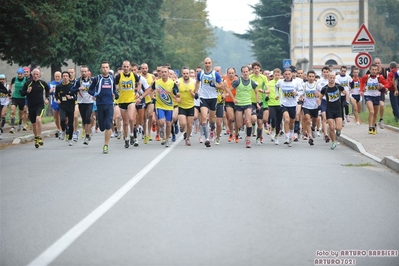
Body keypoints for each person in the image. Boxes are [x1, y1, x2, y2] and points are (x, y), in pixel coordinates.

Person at [114, 60, 149, 148]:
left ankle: (132, 134)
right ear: (122, 67)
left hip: (131, 100)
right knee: (125, 122)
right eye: (124, 67)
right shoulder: (119, 76)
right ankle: (126, 138)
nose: (126, 68)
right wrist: (117, 91)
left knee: (131, 118)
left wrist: (137, 91)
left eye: (127, 67)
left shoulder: (134, 75)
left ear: (129, 67)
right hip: (122, 101)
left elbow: (139, 83)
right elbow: (115, 85)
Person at [142, 66, 179, 147]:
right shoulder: (156, 82)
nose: (164, 73)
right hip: (160, 106)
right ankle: (161, 128)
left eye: (165, 72)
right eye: (162, 72)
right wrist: (142, 97)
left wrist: (177, 95)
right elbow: (149, 90)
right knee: (161, 122)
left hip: (169, 106)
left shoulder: (172, 83)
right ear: (160, 73)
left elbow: (177, 93)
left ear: (168, 73)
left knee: (169, 124)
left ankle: (166, 139)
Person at [88, 61, 119, 154]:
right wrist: (96, 94)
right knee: (102, 127)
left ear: (109, 68)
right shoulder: (97, 78)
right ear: (101, 68)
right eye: (103, 67)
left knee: (108, 124)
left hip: (109, 104)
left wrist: (116, 93)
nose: (105, 69)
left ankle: (106, 145)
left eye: (106, 67)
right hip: (100, 104)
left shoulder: (112, 78)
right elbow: (90, 90)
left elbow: (113, 88)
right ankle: (99, 123)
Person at [194, 57, 224, 148]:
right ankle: (207, 139)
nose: (207, 65)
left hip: (213, 98)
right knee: (203, 117)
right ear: (204, 64)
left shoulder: (215, 74)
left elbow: (222, 85)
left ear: (211, 64)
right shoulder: (200, 73)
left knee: (212, 119)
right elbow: (197, 82)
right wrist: (196, 92)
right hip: (203, 97)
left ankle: (212, 128)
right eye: (206, 63)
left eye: (209, 63)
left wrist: (215, 85)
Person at [318, 72, 349, 150]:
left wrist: (346, 102)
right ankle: (334, 142)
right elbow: (319, 98)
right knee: (332, 127)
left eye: (333, 78)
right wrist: (319, 106)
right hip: (329, 110)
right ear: (328, 78)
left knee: (338, 127)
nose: (332, 79)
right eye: (330, 78)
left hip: (338, 109)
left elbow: (346, 93)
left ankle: (338, 131)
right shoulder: (325, 88)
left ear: (335, 78)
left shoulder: (338, 86)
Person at [20, 68, 49, 148]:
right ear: (32, 75)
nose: (35, 76)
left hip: (40, 105)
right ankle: (36, 137)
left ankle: (39, 137)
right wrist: (27, 92)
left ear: (39, 75)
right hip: (31, 106)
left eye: (37, 74)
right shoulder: (28, 83)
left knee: (38, 119)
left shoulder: (43, 83)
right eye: (34, 74)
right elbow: (22, 93)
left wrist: (47, 98)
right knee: (34, 124)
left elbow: (47, 90)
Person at [360, 64, 391, 135]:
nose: (374, 71)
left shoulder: (380, 78)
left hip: (377, 96)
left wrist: (382, 86)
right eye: (372, 70)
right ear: (370, 70)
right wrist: (361, 90)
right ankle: (370, 127)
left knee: (375, 113)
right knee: (371, 111)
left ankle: (373, 125)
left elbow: (388, 84)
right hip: (368, 96)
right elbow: (361, 82)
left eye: (375, 70)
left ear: (377, 70)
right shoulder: (366, 77)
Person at [232, 66, 257, 148]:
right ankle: (243, 120)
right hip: (239, 104)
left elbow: (256, 92)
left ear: (249, 72)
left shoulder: (252, 82)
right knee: (239, 125)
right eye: (244, 72)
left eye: (247, 71)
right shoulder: (238, 81)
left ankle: (248, 140)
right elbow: (229, 89)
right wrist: (232, 97)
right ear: (242, 73)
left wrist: (257, 103)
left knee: (249, 121)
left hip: (248, 104)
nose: (245, 73)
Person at [275, 68, 301, 147]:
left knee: (292, 122)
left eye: (289, 74)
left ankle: (291, 135)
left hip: (293, 105)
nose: (287, 76)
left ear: (292, 74)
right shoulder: (280, 82)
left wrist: (296, 93)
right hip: (284, 104)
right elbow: (276, 87)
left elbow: (301, 91)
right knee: (286, 119)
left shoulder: (296, 83)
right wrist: (277, 94)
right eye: (286, 74)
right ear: (283, 75)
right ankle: (286, 136)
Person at [71, 66, 94, 145]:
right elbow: (71, 90)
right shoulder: (78, 81)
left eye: (85, 71)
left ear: (88, 72)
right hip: (81, 102)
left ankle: (87, 135)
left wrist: (95, 95)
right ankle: (87, 132)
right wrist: (78, 89)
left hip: (90, 102)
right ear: (80, 72)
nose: (84, 73)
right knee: (84, 119)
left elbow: (96, 89)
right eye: (82, 72)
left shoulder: (92, 80)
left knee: (88, 118)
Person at [249, 61, 269, 146]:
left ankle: (258, 137)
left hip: (260, 102)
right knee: (253, 118)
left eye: (258, 68)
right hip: (251, 101)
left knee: (260, 122)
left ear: (260, 69)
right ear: (252, 70)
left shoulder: (263, 78)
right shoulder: (250, 77)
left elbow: (268, 90)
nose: (256, 70)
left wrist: (263, 91)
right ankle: (252, 127)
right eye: (254, 68)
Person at [55, 71, 77, 146]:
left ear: (69, 77)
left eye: (66, 76)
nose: (65, 77)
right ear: (62, 77)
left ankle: (70, 138)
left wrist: (71, 97)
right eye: (63, 76)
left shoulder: (72, 86)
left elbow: (76, 96)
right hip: (62, 105)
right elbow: (56, 95)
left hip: (70, 105)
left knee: (70, 123)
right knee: (62, 119)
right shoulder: (59, 86)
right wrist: (57, 99)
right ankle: (63, 131)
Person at [177, 67, 195, 146]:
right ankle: (181, 127)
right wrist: (176, 98)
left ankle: (187, 138)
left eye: (187, 73)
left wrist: (193, 94)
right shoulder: (178, 82)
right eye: (184, 73)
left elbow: (197, 96)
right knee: (183, 123)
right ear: (182, 74)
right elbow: (173, 93)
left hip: (190, 106)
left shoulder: (194, 82)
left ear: (189, 74)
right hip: (181, 106)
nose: (186, 75)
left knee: (190, 124)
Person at [302, 70, 319, 146]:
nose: (311, 78)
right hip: (306, 106)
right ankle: (310, 137)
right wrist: (301, 97)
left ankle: (313, 129)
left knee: (314, 122)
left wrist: (318, 95)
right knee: (308, 120)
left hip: (315, 106)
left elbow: (321, 94)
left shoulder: (317, 85)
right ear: (307, 77)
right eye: (310, 76)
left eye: (313, 76)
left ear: (314, 77)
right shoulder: (304, 85)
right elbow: (301, 94)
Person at [9, 68, 28, 133]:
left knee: (21, 113)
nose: (19, 75)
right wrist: (10, 91)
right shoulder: (14, 79)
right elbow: (10, 84)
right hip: (15, 97)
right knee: (12, 111)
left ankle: (20, 122)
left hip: (22, 98)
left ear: (23, 74)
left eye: (21, 74)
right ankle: (12, 127)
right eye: (18, 74)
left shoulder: (26, 80)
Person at [223, 67, 238, 143]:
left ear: (235, 73)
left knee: (237, 120)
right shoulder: (225, 81)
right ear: (227, 74)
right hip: (228, 101)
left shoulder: (238, 81)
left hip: (237, 101)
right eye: (230, 73)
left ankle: (236, 134)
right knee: (231, 118)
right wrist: (223, 95)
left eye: (232, 73)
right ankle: (231, 133)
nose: (231, 75)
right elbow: (222, 90)